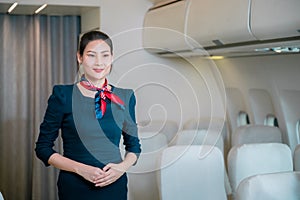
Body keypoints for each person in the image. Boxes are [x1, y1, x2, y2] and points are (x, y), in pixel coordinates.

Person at [35, 30, 141, 199]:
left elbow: (134, 147)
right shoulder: (63, 95)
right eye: (91, 55)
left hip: (114, 186)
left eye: (105, 55)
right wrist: (81, 169)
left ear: (112, 57)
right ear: (80, 57)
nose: (99, 62)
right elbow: (43, 148)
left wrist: (121, 168)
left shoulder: (125, 97)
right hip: (75, 187)